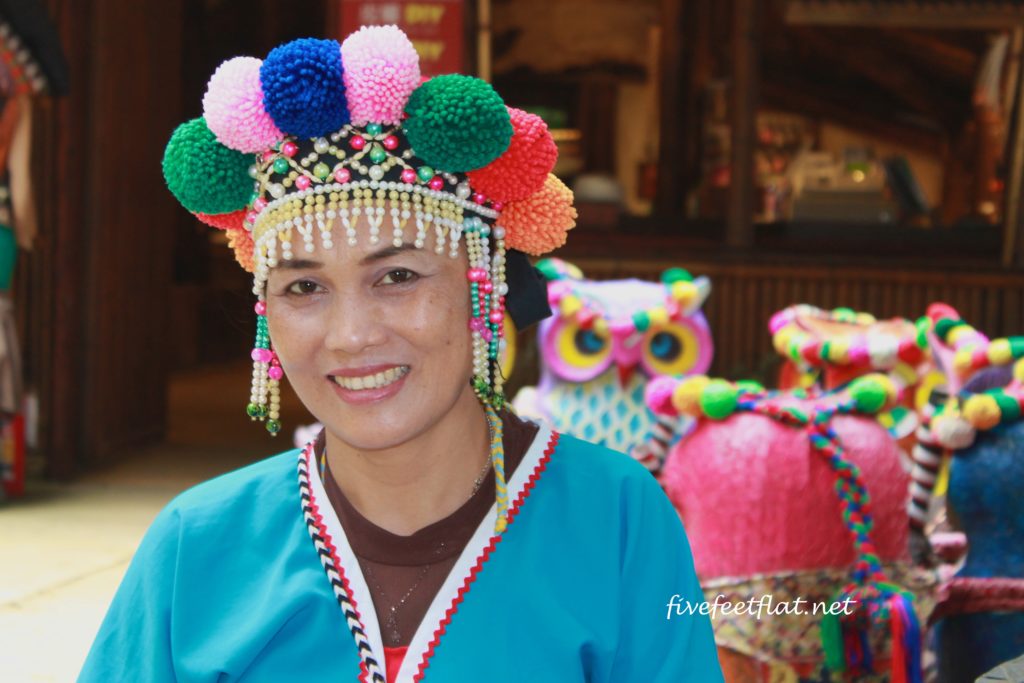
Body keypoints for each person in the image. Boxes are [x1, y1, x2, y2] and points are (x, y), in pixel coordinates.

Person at [79, 26, 721, 682]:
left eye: (398, 277)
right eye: (303, 286)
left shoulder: (617, 518)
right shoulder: (195, 547)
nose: (352, 334)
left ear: (487, 283)